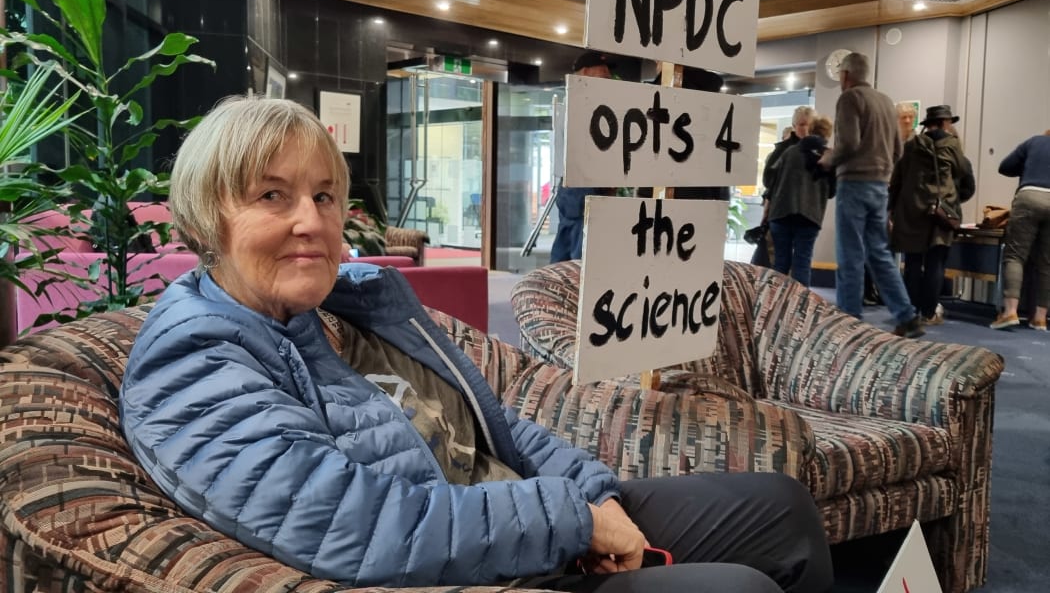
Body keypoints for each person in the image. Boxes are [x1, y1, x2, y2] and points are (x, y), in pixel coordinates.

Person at [119, 97, 833, 593]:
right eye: (272, 196)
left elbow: (491, 421)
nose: (312, 220)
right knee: (736, 587)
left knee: (784, 509)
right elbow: (355, 525)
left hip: (521, 512)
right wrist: (572, 520)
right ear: (209, 215)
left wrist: (591, 493)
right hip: (477, 565)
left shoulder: (330, 308)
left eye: (325, 196)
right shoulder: (194, 361)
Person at [818, 52, 924, 338]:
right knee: (879, 254)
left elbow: (849, 142)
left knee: (850, 253)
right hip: (880, 186)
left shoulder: (850, 99)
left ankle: (849, 322)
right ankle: (906, 315)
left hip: (853, 184)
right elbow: (898, 150)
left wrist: (828, 159)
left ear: (846, 75)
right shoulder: (887, 102)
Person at [889, 105, 975, 324]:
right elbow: (965, 178)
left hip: (912, 211)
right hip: (940, 213)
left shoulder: (911, 146)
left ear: (928, 124)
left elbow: (897, 180)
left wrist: (892, 209)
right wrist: (952, 202)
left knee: (912, 263)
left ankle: (911, 312)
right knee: (936, 262)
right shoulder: (953, 145)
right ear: (946, 123)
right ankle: (928, 314)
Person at [550, 51, 614, 263]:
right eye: (603, 73)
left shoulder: (575, 101)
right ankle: (572, 291)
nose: (609, 77)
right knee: (581, 250)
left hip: (572, 182)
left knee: (568, 241)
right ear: (585, 72)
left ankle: (557, 289)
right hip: (581, 182)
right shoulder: (583, 104)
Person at [990, 129, 1050, 330]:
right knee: (1047, 262)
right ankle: (1040, 318)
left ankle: (1010, 312)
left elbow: (1005, 166)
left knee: (1015, 256)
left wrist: (1028, 166)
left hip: (1029, 197)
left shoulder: (1035, 141)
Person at [765, 114, 835, 286]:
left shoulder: (789, 152)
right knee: (802, 263)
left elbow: (769, 181)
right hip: (809, 216)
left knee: (781, 263)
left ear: (810, 129)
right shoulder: (828, 157)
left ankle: (777, 305)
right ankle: (800, 307)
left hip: (781, 213)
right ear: (827, 135)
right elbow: (832, 192)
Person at [754, 106, 814, 268]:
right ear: (794, 126)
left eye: (809, 124)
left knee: (799, 262)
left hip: (805, 214)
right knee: (782, 261)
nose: (806, 129)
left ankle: (796, 293)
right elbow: (768, 180)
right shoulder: (783, 150)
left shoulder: (817, 151)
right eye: (802, 124)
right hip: (783, 213)